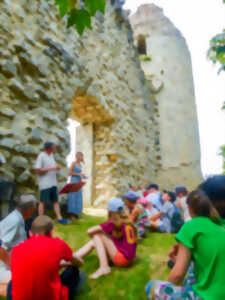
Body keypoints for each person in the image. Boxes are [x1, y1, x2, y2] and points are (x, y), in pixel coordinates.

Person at [146, 188, 225, 300]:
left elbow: (177, 275)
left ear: (188, 208)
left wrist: (166, 289)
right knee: (192, 269)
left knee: (151, 287)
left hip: (208, 297)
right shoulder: (221, 224)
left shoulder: (191, 226)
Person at [7, 215, 86, 300]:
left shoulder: (16, 249)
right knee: (74, 271)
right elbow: (79, 262)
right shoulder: (57, 244)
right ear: (51, 232)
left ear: (30, 233)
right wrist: (70, 263)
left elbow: (37, 267)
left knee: (12, 283)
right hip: (49, 296)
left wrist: (59, 265)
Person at [74, 197, 137, 279]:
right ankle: (74, 257)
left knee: (97, 235)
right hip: (129, 259)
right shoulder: (127, 221)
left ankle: (104, 267)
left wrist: (98, 238)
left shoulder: (113, 223)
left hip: (122, 259)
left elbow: (89, 231)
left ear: (110, 211)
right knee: (97, 239)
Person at [0, 195, 37, 291]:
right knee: (31, 282)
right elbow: (1, 248)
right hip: (3, 269)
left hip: (14, 264)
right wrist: (14, 268)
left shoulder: (18, 218)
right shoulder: (15, 221)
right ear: (30, 209)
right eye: (34, 209)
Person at [34, 141, 68, 224]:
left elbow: (52, 167)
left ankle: (60, 218)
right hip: (45, 184)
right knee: (42, 202)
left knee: (55, 201)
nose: (55, 148)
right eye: (53, 147)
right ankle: (40, 220)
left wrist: (56, 168)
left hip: (53, 183)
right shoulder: (41, 156)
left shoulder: (52, 155)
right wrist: (51, 168)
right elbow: (37, 170)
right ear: (49, 148)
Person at [67, 152, 86, 219]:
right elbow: (69, 172)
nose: (82, 157)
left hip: (79, 181)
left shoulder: (80, 165)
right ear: (77, 156)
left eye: (82, 156)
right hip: (73, 181)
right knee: (73, 197)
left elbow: (79, 174)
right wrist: (78, 174)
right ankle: (71, 214)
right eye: (81, 156)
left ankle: (77, 213)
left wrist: (83, 176)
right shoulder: (73, 163)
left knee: (78, 197)